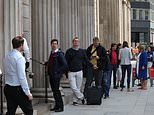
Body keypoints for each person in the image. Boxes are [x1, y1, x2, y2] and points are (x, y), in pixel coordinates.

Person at [4, 36, 33, 115]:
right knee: (29, 111)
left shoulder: (7, 56)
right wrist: (28, 93)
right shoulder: (19, 58)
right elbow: (22, 77)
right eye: (23, 44)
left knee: (11, 112)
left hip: (8, 87)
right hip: (17, 89)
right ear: (21, 45)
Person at [65, 37, 91, 106]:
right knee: (73, 87)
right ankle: (82, 97)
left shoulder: (82, 51)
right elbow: (65, 62)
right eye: (75, 42)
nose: (76, 43)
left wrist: (92, 65)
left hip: (79, 71)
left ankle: (75, 101)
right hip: (71, 72)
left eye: (77, 42)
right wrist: (66, 71)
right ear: (72, 42)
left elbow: (86, 60)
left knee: (78, 87)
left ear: (79, 43)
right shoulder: (69, 51)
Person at [47, 39, 68, 112]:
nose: (54, 45)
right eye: (53, 43)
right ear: (51, 45)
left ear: (57, 45)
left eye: (55, 44)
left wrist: (58, 72)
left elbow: (65, 65)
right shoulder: (52, 53)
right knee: (54, 91)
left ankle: (60, 107)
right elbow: (53, 63)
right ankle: (57, 106)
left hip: (56, 76)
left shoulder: (59, 54)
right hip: (52, 75)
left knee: (56, 91)